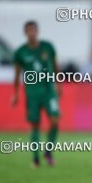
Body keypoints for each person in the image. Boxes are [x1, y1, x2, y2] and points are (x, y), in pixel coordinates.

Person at [11, 21, 60, 167]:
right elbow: (16, 75)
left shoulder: (48, 47)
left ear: (37, 31)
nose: (31, 33)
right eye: (28, 30)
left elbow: (56, 66)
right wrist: (15, 93)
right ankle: (35, 158)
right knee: (35, 125)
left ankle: (48, 152)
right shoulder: (20, 52)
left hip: (49, 91)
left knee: (55, 121)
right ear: (25, 33)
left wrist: (59, 84)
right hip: (32, 93)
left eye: (33, 30)